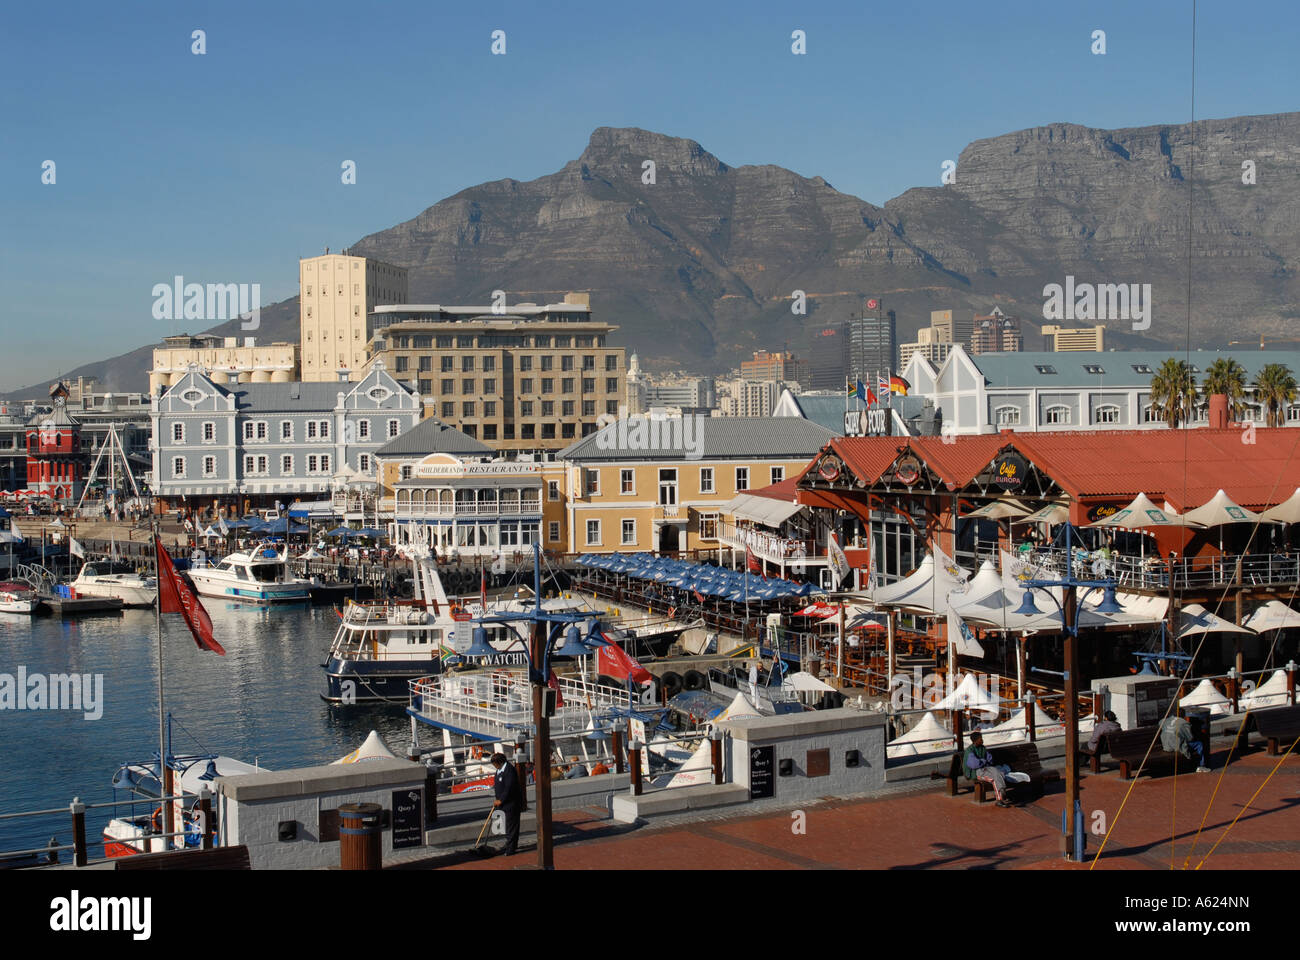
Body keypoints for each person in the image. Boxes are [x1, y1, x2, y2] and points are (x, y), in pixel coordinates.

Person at [963, 731, 1014, 807]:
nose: (982, 740)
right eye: (980, 739)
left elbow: (990, 759)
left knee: (998, 773)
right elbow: (974, 764)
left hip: (985, 768)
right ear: (975, 740)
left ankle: (1002, 791)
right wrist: (983, 761)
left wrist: (984, 761)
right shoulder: (970, 750)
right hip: (976, 772)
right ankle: (999, 799)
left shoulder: (983, 748)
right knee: (994, 778)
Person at [490, 753, 523, 855]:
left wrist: (501, 800)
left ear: (499, 762)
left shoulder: (509, 770)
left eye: (494, 764)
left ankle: (511, 848)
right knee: (505, 825)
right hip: (503, 804)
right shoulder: (499, 770)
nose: (494, 766)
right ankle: (510, 844)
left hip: (511, 803)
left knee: (511, 826)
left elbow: (509, 787)